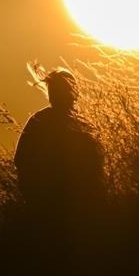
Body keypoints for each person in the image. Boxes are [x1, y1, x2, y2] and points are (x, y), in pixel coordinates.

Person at [14, 65, 104, 220]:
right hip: (71, 205)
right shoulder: (83, 124)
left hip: (47, 203)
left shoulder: (39, 120)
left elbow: (20, 159)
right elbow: (97, 163)